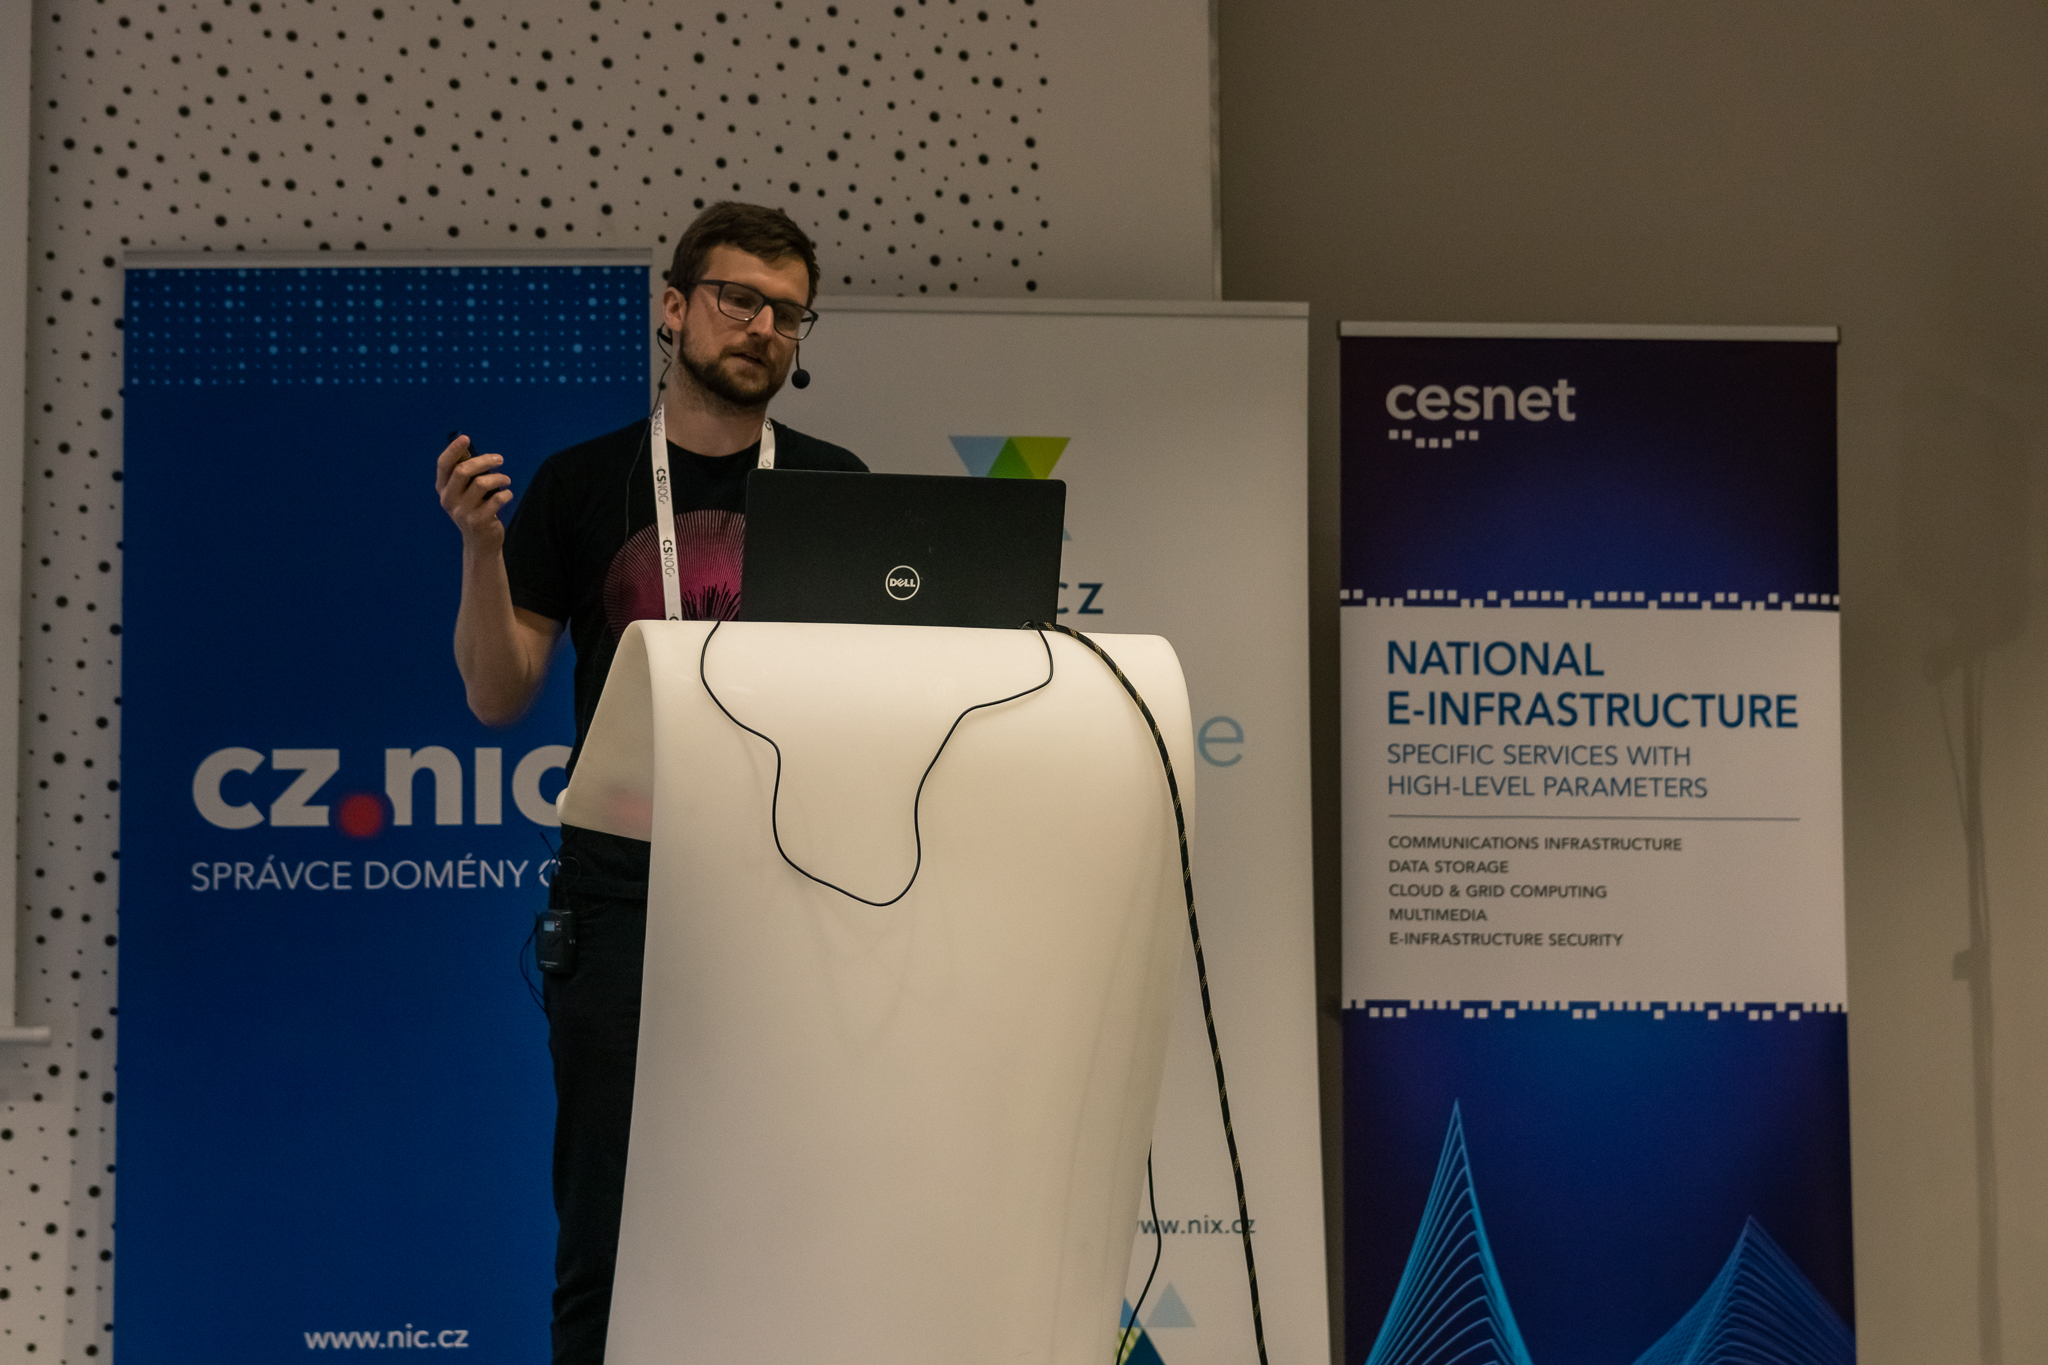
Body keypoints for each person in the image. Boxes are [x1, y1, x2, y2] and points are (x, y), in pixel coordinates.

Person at [433, 202, 866, 1365]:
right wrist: (482, 550)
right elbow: (496, 693)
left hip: (795, 889)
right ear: (675, 308)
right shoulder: (583, 485)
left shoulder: (834, 487)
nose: (762, 327)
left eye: (787, 313)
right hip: (621, 890)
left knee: (793, 1216)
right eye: (739, 299)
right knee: (608, 1234)